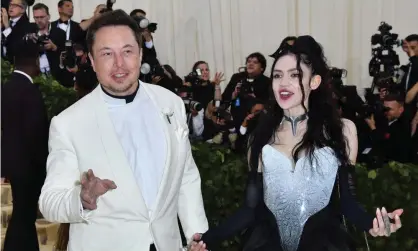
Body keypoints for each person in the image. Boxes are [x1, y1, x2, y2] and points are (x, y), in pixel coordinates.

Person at [189, 36, 403, 251]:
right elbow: (250, 209)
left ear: (314, 81)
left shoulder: (342, 131)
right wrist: (207, 239)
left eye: (295, 75)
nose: (284, 83)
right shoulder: (259, 137)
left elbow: (348, 202)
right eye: (277, 76)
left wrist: (374, 225)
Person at [38, 10, 208, 251]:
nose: (119, 64)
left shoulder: (170, 104)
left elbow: (186, 175)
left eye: (127, 51)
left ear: (140, 56)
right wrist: (83, 199)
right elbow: (50, 202)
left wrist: (196, 235)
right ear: (93, 61)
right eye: (107, 54)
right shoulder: (68, 123)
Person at [1, 40, 49, 251]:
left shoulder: (7, 87)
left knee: (22, 216)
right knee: (24, 216)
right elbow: (36, 134)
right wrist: (46, 165)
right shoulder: (30, 91)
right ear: (35, 62)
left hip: (13, 163)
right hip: (29, 167)